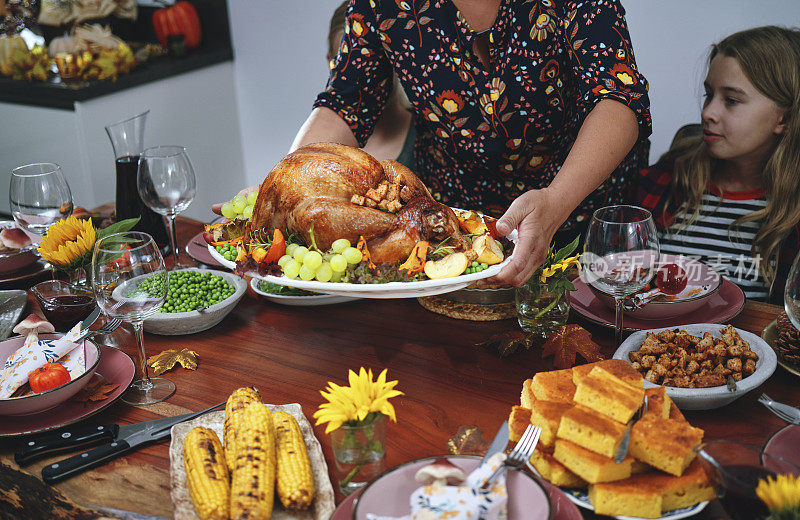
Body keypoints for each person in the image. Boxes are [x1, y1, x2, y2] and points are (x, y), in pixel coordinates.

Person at [291, 0, 651, 286]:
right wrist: (285, 184)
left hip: (580, 223)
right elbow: (343, 105)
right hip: (451, 237)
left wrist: (556, 201)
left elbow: (618, 96)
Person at [635, 26, 800, 304]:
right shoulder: (668, 177)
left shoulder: (792, 213)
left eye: (731, 100)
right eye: (708, 95)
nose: (707, 112)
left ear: (783, 119)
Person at [327, 1, 417, 170]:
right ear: (331, 64)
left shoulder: (431, 134)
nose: (363, 79)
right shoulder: (324, 147)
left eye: (373, 61)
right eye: (349, 69)